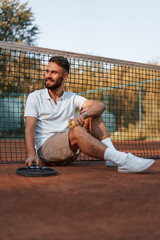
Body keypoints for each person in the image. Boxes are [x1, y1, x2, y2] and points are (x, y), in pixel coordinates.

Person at [24, 56, 155, 173]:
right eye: (47, 71)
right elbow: (30, 128)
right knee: (76, 131)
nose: (48, 75)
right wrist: (31, 154)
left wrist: (83, 115)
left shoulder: (71, 97)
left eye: (53, 72)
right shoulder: (34, 97)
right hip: (46, 151)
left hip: (68, 149)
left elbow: (100, 106)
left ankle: (112, 158)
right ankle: (122, 159)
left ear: (65, 76)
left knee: (93, 114)